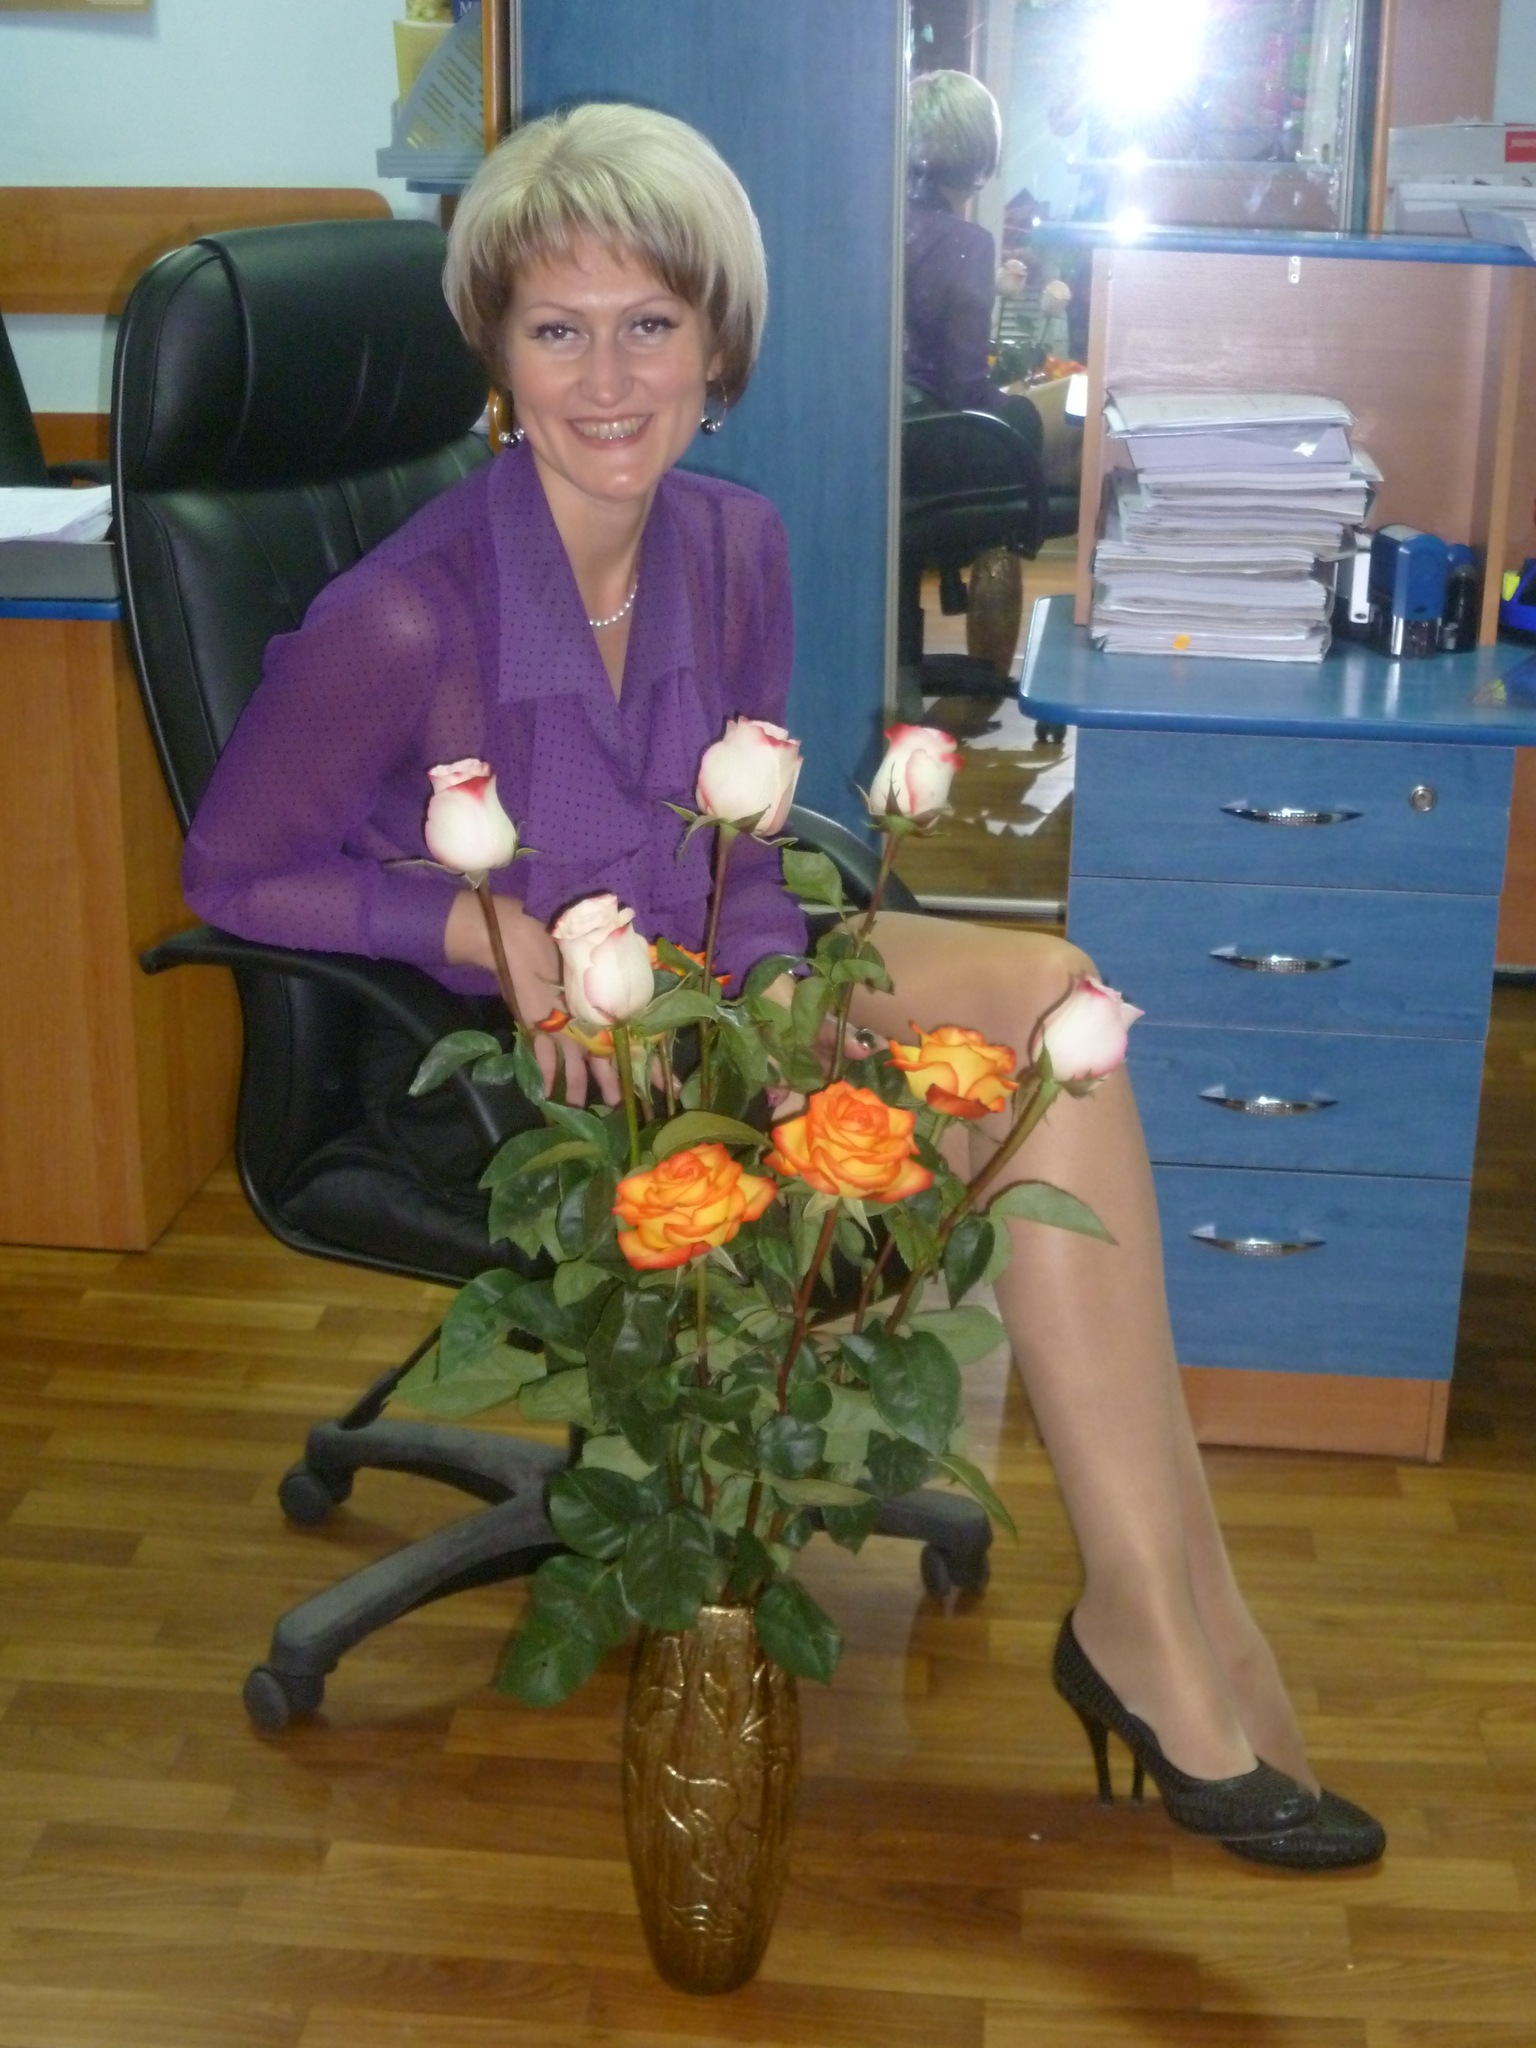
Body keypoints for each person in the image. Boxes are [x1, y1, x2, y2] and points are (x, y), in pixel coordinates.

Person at [183, 102, 1381, 1872]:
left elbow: (743, 875)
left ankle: (1172, 1601)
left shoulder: (733, 545)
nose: (609, 380)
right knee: (1007, 1102)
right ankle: (1169, 1631)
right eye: (557, 329)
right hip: (521, 1055)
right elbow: (231, 870)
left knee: (1055, 1006)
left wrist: (786, 1028)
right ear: (496, 353)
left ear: (717, 345)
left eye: (650, 324)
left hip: (711, 987)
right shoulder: (405, 616)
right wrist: (483, 934)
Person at [903, 70, 1048, 464]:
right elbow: (964, 389)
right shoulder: (967, 243)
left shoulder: (880, 222)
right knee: (1029, 416)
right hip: (930, 436)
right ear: (981, 150)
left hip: (877, 427)